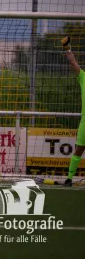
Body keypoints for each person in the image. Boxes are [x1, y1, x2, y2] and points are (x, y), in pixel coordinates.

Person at [61, 36, 84, 187]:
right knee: (79, 150)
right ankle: (69, 178)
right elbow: (73, 62)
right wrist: (67, 47)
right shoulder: (83, 77)